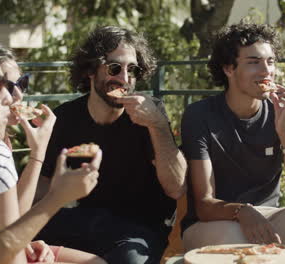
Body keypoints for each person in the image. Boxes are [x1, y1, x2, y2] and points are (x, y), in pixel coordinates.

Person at [180, 22, 285, 264]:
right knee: (235, 235)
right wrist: (242, 211)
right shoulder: (200, 115)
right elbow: (204, 204)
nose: (266, 70)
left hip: (268, 216)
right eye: (254, 62)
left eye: (271, 62)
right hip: (213, 222)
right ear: (228, 68)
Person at [35, 26, 187, 264]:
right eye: (115, 68)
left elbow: (176, 188)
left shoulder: (151, 113)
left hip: (139, 227)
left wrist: (157, 126)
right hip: (84, 219)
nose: (124, 79)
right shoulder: (65, 117)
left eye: (132, 70)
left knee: (130, 260)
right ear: (91, 71)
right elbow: (42, 185)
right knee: (19, 238)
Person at [0, 40, 103, 263]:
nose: (11, 97)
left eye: (17, 84)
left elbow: (10, 245)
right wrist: (57, 197)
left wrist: (39, 152)